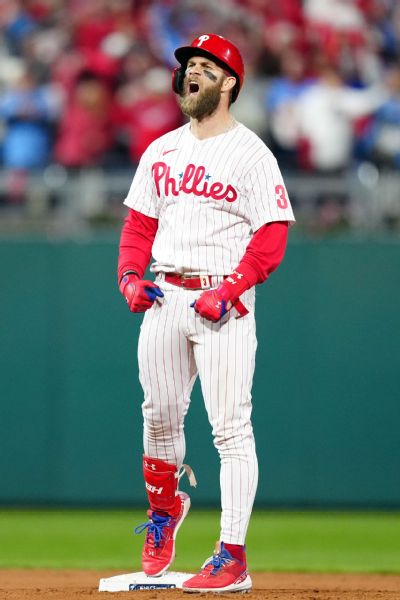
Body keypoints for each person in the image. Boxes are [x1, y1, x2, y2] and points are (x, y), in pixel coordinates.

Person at [117, 33, 295, 593]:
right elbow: (139, 224)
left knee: (231, 430)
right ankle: (166, 511)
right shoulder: (161, 150)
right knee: (158, 415)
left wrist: (238, 284)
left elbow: (272, 234)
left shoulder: (251, 153)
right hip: (166, 296)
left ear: (229, 84)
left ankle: (233, 554)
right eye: (189, 64)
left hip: (225, 301)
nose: (193, 72)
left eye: (205, 66)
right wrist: (128, 276)